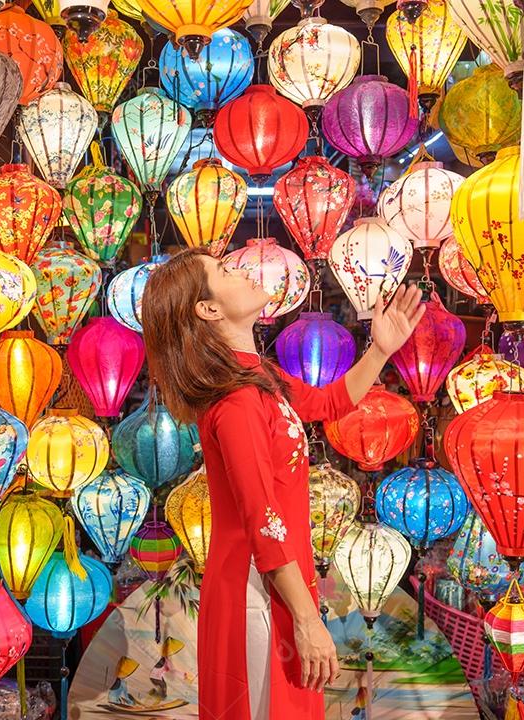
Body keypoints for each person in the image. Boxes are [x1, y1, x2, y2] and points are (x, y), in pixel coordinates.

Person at [140, 247, 425, 720]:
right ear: (208, 309)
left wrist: (381, 349)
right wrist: (308, 619)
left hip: (276, 581)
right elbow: (261, 518)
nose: (244, 271)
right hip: (256, 589)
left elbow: (329, 403)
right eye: (227, 271)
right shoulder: (236, 402)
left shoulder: (258, 376)